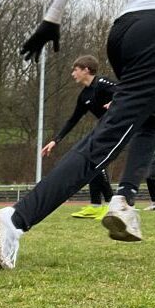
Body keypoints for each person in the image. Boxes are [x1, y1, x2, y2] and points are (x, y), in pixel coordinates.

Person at [0, 0, 155, 269]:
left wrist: (52, 17)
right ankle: (14, 220)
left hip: (126, 29)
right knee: (109, 138)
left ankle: (124, 201)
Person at [40, 56, 117, 220]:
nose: (72, 73)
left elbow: (127, 91)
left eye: (75, 69)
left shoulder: (103, 83)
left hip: (120, 127)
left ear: (86, 70)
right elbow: (73, 120)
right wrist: (55, 140)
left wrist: (115, 102)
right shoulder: (84, 96)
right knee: (91, 162)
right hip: (105, 129)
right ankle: (96, 206)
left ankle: (111, 205)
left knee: (95, 162)